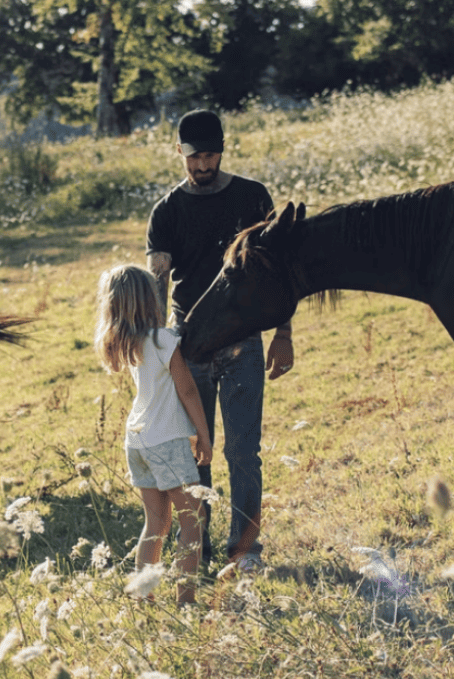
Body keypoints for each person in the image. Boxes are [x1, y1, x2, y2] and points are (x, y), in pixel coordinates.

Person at [146, 109, 292, 573]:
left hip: (243, 340)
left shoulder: (252, 198)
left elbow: (278, 271)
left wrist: (283, 333)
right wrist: (156, 349)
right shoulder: (166, 211)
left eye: (209, 156)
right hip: (189, 346)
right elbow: (158, 284)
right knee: (196, 452)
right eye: (193, 158)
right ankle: (199, 551)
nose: (201, 166)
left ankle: (245, 551)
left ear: (222, 150)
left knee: (244, 451)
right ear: (179, 153)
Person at [94, 264, 214, 604]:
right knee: (194, 519)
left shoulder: (127, 344)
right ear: (150, 300)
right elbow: (188, 390)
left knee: (156, 524)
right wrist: (202, 435)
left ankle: (142, 598)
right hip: (167, 441)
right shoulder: (163, 340)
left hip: (138, 440)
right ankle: (185, 599)